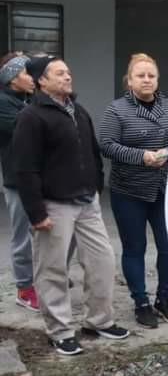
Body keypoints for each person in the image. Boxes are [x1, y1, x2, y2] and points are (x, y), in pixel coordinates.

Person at [12, 56, 129, 356]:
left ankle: (99, 321)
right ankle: (60, 331)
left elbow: (92, 151)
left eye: (68, 72)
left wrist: (96, 185)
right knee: (52, 270)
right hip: (54, 206)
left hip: (86, 203)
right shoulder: (33, 116)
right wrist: (36, 212)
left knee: (102, 262)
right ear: (42, 81)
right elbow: (25, 169)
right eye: (59, 73)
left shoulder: (78, 110)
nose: (67, 76)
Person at [99, 54, 168, 329]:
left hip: (164, 190)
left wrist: (167, 152)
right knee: (135, 247)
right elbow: (106, 144)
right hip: (129, 190)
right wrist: (142, 157)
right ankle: (141, 302)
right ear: (129, 81)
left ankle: (165, 298)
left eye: (151, 75)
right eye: (140, 76)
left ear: (157, 79)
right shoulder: (116, 110)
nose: (147, 80)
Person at [0, 53, 38, 312]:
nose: (34, 78)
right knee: (23, 236)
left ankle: (45, 278)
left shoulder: (29, 100)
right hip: (17, 181)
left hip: (40, 177)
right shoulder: (3, 103)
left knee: (49, 232)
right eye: (28, 73)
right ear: (13, 78)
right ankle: (25, 289)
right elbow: (30, 130)